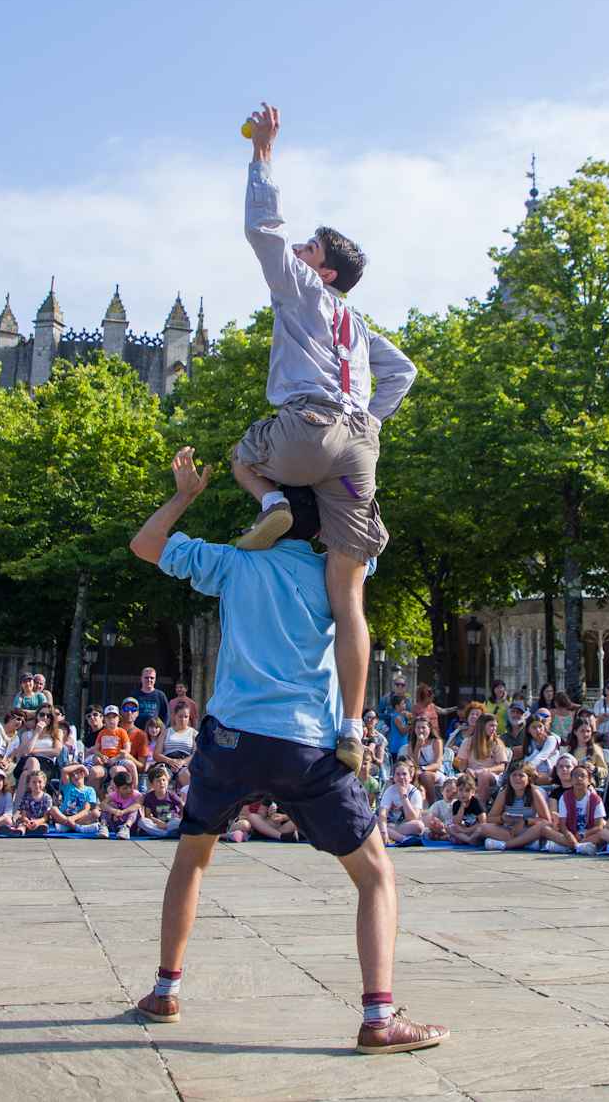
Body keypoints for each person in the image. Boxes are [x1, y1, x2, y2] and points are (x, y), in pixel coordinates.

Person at [127, 445, 443, 1053]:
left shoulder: (233, 565)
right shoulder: (335, 572)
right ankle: (378, 1019)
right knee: (376, 875)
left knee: (192, 859)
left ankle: (165, 990)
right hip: (305, 742)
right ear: (318, 524)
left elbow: (145, 545)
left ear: (269, 517)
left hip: (230, 738)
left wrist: (186, 495)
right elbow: (367, 534)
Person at [226, 105, 418, 778]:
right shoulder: (359, 326)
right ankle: (352, 726)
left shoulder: (305, 287)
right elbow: (405, 372)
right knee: (349, 598)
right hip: (359, 449)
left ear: (325, 270)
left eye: (311, 248)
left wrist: (264, 152)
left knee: (241, 456)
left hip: (305, 428)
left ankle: (271, 500)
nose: (301, 251)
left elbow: (261, 227)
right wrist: (368, 419)